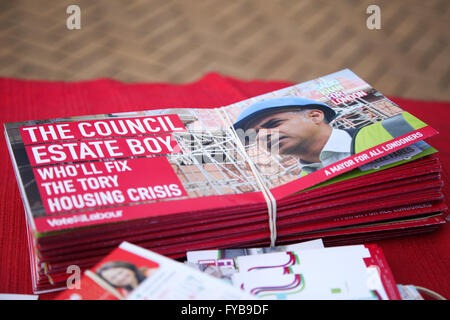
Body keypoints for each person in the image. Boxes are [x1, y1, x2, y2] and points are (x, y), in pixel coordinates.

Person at [233, 97, 428, 176]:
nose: (265, 136)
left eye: (273, 124)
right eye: (254, 135)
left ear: (315, 116)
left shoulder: (400, 126)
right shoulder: (301, 182)